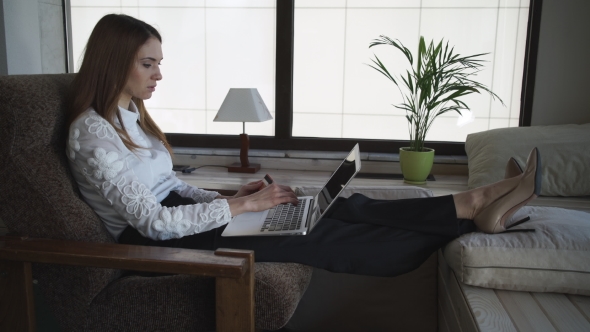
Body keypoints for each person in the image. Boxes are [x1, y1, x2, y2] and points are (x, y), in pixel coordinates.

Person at [66, 14, 540, 277]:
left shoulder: (133, 119)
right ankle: (468, 219)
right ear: (115, 62)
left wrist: (230, 198)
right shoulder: (92, 135)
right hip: (154, 246)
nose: (159, 75)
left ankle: (470, 202)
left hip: (185, 224)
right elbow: (152, 221)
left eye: (159, 63)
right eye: (148, 64)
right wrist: (241, 206)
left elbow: (170, 186)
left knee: (333, 205)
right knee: (317, 233)